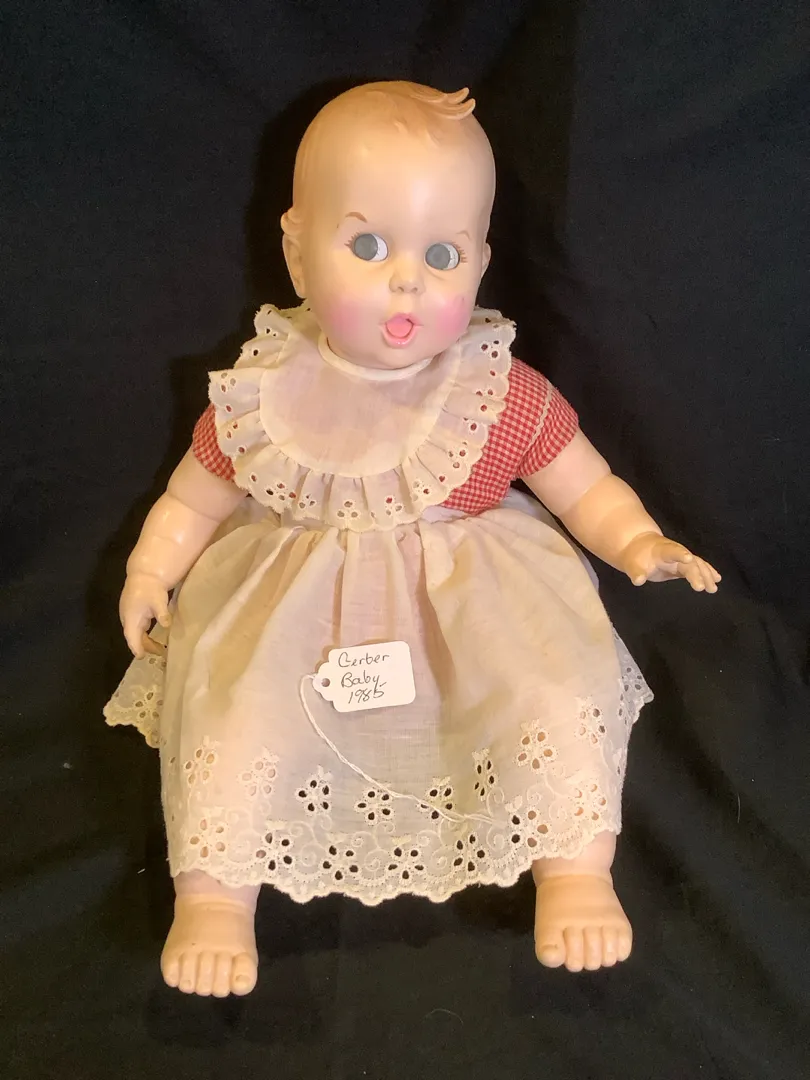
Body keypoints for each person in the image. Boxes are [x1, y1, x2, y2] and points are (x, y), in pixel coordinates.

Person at [105, 81, 720, 998]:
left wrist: (635, 541)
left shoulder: (494, 391)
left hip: (473, 609)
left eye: (442, 254)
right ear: (296, 253)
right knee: (234, 717)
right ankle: (215, 896)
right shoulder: (262, 395)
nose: (408, 281)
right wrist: (152, 568)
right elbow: (192, 499)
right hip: (294, 616)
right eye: (367, 246)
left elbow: (583, 483)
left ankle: (576, 870)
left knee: (552, 695)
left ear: (480, 262)